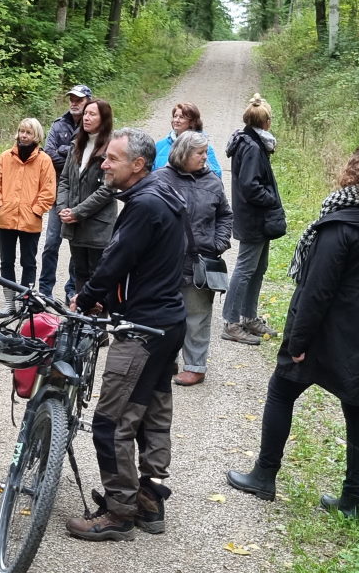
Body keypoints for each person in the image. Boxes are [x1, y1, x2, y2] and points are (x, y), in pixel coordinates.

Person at [226, 147, 359, 520]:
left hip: (326, 335)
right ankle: (351, 502)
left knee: (281, 390)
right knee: (358, 413)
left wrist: (297, 343)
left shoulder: (339, 228)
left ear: (351, 179)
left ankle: (264, 475)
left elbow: (315, 292)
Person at [64, 128, 189, 541]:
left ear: (138, 165)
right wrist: (114, 301)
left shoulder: (145, 203)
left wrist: (86, 299)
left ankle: (119, 514)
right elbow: (148, 263)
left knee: (111, 422)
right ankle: (150, 500)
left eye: (112, 159)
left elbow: (117, 260)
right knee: (151, 411)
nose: (104, 163)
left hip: (144, 330)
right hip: (168, 322)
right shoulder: (163, 193)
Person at [157, 130, 233, 387]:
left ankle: (195, 367)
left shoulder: (212, 181)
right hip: (166, 261)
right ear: (183, 154)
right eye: (200, 153)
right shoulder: (160, 179)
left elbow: (225, 215)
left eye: (205, 152)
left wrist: (218, 243)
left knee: (198, 315)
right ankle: (166, 360)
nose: (205, 157)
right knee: (165, 313)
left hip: (200, 261)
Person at [222, 94, 286, 346]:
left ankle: (249, 317)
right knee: (245, 269)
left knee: (258, 268)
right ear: (267, 122)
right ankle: (231, 322)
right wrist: (271, 198)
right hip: (254, 219)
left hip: (260, 220)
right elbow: (250, 186)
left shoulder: (253, 142)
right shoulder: (251, 146)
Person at [0, 118, 57, 316]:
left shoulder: (44, 160)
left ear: (36, 135)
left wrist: (36, 210)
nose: (24, 135)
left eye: (28, 132)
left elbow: (48, 191)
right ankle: (10, 303)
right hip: (6, 219)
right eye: (21, 131)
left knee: (28, 262)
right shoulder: (5, 157)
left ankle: (26, 303)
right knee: (6, 262)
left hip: (30, 220)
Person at [38, 84, 92, 300]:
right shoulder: (58, 125)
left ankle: (72, 289)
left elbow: (86, 157)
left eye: (78, 99)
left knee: (77, 246)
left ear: (88, 100)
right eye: (71, 98)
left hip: (81, 196)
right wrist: (69, 151)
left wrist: (66, 153)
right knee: (51, 242)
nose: (74, 103)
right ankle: (45, 290)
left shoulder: (91, 126)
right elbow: (49, 155)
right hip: (58, 193)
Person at [56, 98, 115, 292]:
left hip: (98, 226)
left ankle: (96, 321)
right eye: (86, 114)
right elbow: (64, 179)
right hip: (75, 225)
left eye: (92, 114)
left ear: (103, 118)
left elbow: (107, 189)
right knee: (79, 273)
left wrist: (77, 212)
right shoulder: (76, 145)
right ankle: (81, 318)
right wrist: (63, 208)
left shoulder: (112, 148)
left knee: (98, 276)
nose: (86, 118)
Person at [152, 102, 223, 176]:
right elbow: (150, 172)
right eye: (175, 116)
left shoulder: (203, 148)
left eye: (181, 117)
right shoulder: (160, 145)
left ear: (192, 122)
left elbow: (216, 174)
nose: (176, 120)